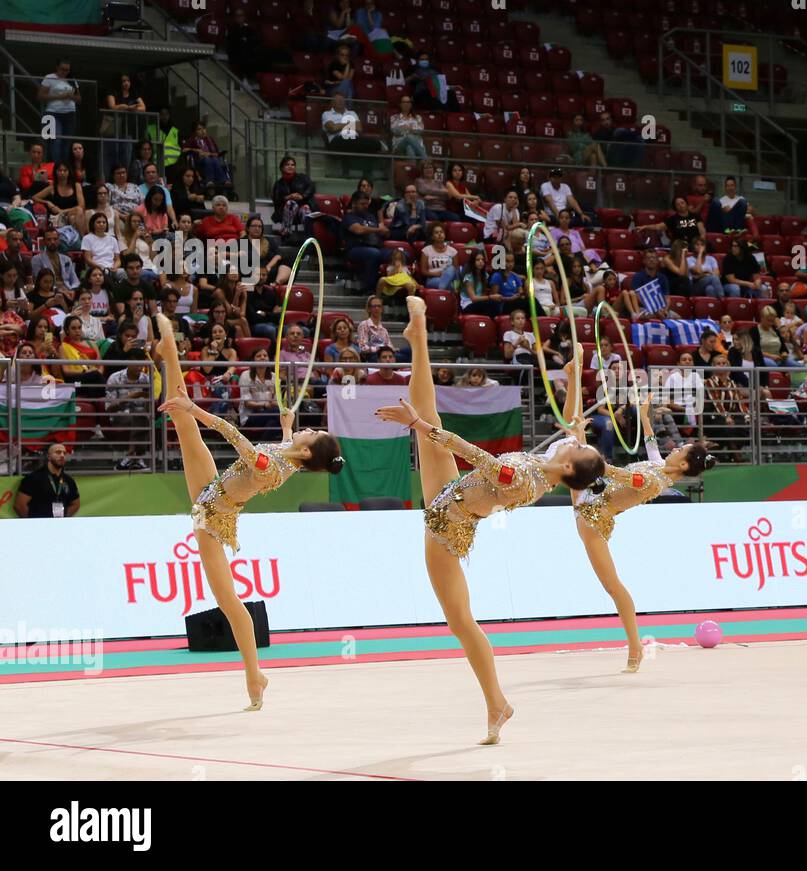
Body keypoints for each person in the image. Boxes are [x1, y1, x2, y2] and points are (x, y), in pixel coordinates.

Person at [373, 297, 605, 744]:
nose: (574, 442)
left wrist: (418, 424)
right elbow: (575, 425)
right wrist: (573, 378)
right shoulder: (551, 469)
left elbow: (474, 455)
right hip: (449, 496)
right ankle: (418, 333)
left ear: (573, 467)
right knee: (428, 418)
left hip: (447, 526)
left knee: (462, 622)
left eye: (579, 448)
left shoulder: (524, 475)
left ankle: (497, 701)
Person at [155, 313, 343, 710]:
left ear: (310, 451)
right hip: (211, 490)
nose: (307, 430)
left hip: (214, 516)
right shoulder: (292, 457)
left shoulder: (270, 466)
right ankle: (170, 350)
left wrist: (196, 407)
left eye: (311, 433)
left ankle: (255, 675)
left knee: (229, 603)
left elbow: (232, 433)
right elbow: (287, 448)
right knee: (182, 422)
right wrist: (288, 427)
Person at [572, 394, 717, 672]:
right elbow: (651, 446)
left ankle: (635, 646)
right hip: (588, 504)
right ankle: (576, 415)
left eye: (680, 449)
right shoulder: (660, 467)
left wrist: (589, 453)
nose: (673, 448)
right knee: (570, 447)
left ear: (684, 465)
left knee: (613, 587)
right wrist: (645, 415)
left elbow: (621, 475)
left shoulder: (654, 480)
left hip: (593, 519)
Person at [15, 442, 80, 517]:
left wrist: (63, 520)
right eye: (58, 452)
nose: (62, 455)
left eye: (64, 453)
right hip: (38, 525)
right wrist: (32, 523)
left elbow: (76, 504)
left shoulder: (69, 481)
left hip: (60, 526)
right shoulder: (33, 478)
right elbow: (19, 505)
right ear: (48, 456)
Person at [343, 192, 387, 292]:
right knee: (374, 254)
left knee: (397, 254)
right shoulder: (349, 217)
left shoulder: (371, 216)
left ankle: (392, 290)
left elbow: (380, 233)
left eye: (367, 204)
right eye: (362, 204)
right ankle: (369, 288)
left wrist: (385, 232)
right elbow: (358, 230)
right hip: (355, 248)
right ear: (354, 203)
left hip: (376, 246)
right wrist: (378, 230)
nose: (365, 206)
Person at [39, 60, 80, 164]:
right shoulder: (49, 77)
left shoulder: (72, 79)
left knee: (67, 143)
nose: (65, 72)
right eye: (63, 69)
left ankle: (64, 167)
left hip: (70, 113)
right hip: (53, 112)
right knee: (55, 140)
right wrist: (60, 96)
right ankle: (55, 165)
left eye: (67, 70)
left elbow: (79, 98)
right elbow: (40, 96)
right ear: (57, 67)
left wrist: (72, 96)